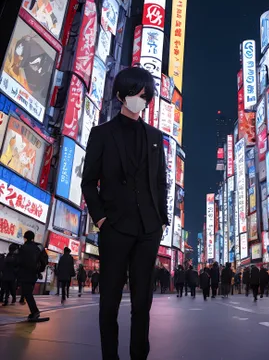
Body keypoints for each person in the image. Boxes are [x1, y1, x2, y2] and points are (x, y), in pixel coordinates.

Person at [82, 66, 169, 360]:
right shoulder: (101, 134)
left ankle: (138, 356)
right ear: (121, 95)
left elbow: (161, 181)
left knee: (142, 302)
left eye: (145, 96)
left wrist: (162, 218)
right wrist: (100, 218)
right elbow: (87, 181)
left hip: (148, 227)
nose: (140, 101)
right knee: (109, 301)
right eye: (135, 94)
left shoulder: (155, 136)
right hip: (115, 226)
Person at [17, 231, 45, 321]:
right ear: (33, 238)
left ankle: (35, 312)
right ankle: (34, 312)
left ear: (25, 238)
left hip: (25, 274)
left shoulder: (23, 248)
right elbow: (43, 261)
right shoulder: (37, 248)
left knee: (27, 293)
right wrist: (39, 270)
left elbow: (18, 261)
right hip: (34, 274)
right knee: (28, 293)